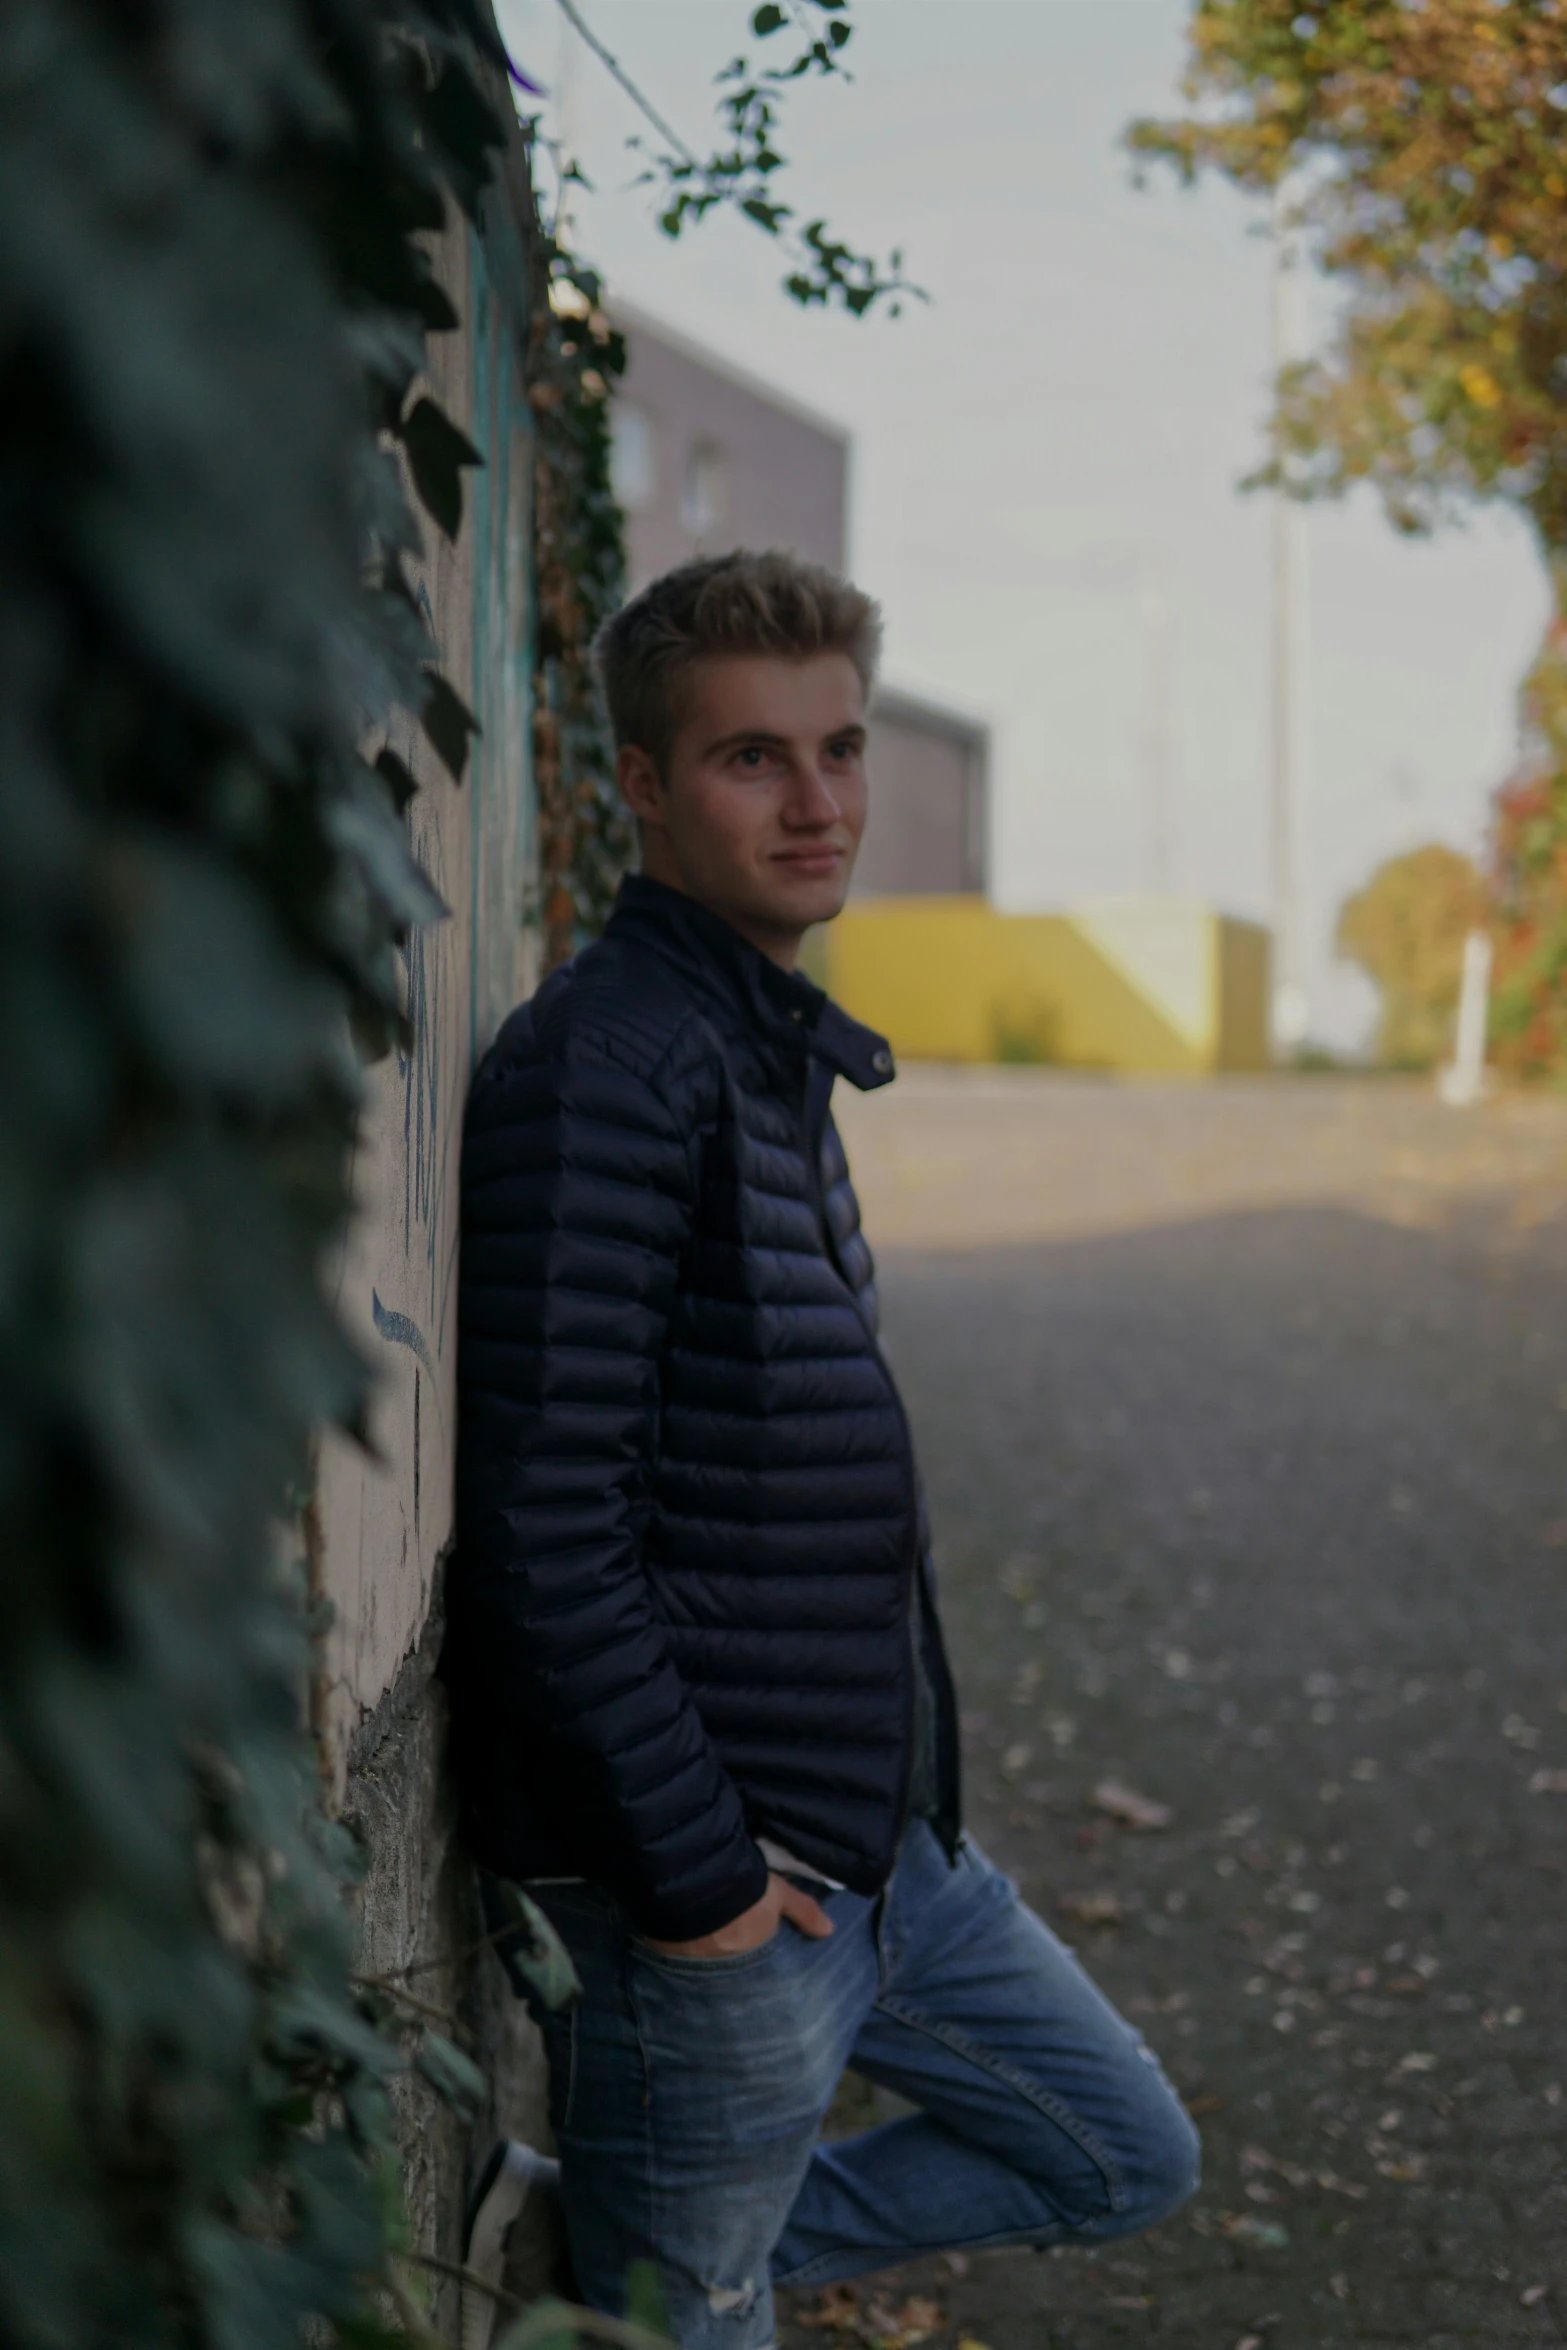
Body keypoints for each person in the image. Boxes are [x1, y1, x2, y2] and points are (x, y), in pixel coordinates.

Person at [442, 550, 1199, 2350]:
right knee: (696, 2317)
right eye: (752, 758)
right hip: (711, 1883)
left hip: (880, 1858)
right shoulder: (609, 1066)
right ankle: (653, 2274)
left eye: (842, 747)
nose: (819, 802)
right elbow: (544, 1525)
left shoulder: (763, 1043)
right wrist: (699, 1879)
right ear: (638, 783)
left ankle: (616, 2261)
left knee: (1117, 2151)